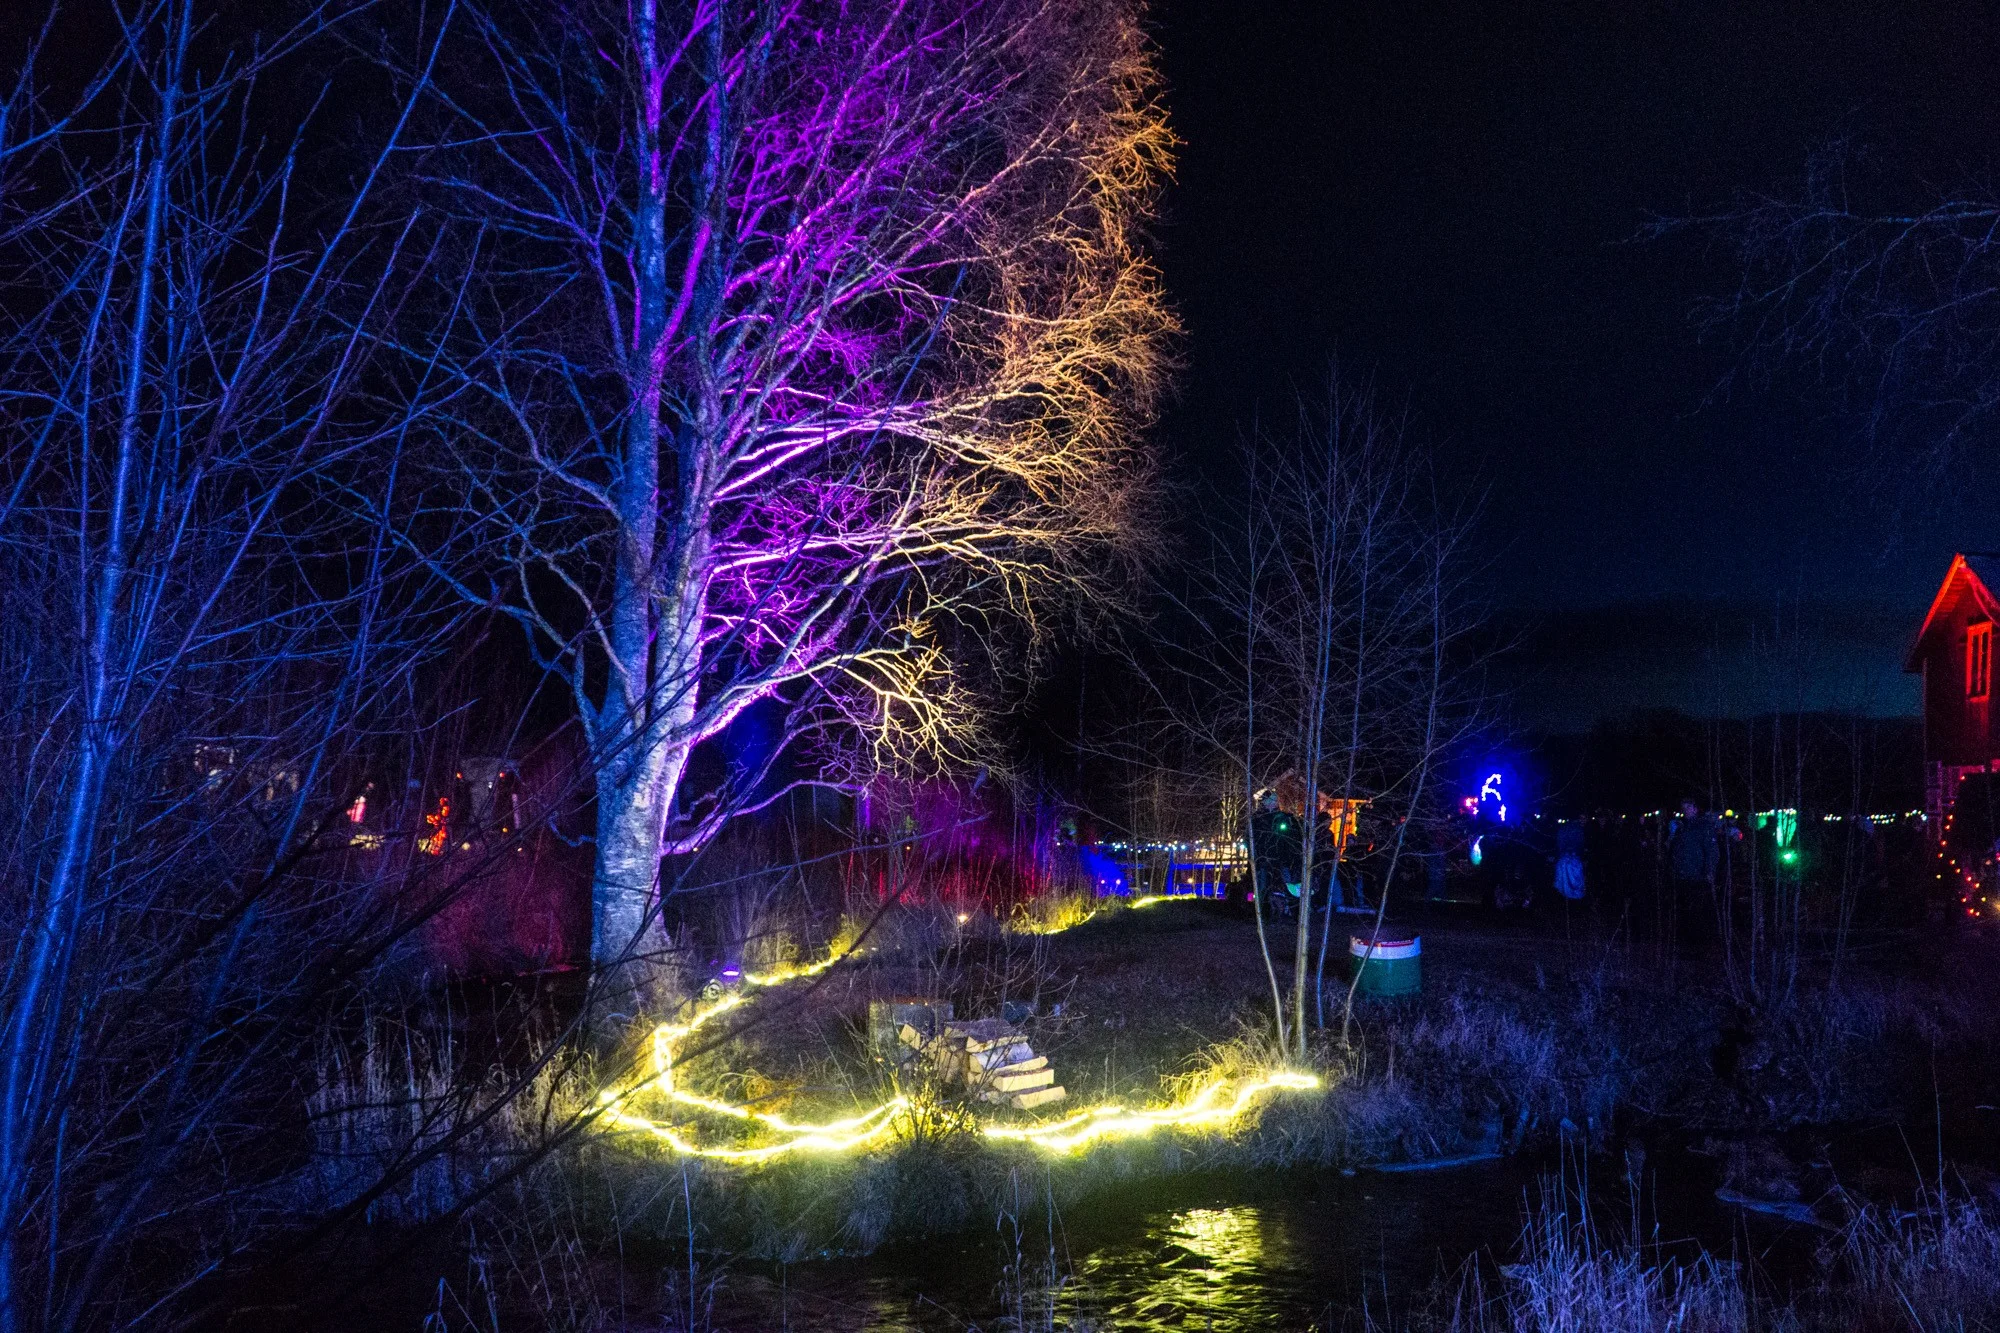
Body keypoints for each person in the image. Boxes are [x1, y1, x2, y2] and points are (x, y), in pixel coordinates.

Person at [1667, 799, 1720, 957]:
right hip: (1682, 874)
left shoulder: (1703, 826)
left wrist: (1709, 871)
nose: (1685, 810)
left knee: (1697, 910)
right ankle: (1688, 943)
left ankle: (1699, 945)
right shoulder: (1682, 827)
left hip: (1697, 875)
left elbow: (1711, 851)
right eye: (1683, 808)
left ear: (1695, 808)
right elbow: (1676, 849)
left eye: (1688, 807)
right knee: (1685, 910)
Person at [1249, 788, 1302, 916]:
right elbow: (1253, 839)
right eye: (1270, 800)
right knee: (1263, 885)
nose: (1273, 803)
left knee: (1284, 884)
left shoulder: (1282, 817)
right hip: (1263, 858)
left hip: (1281, 858)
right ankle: (1262, 912)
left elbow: (1289, 838)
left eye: (1274, 800)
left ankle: (1285, 909)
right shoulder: (1257, 819)